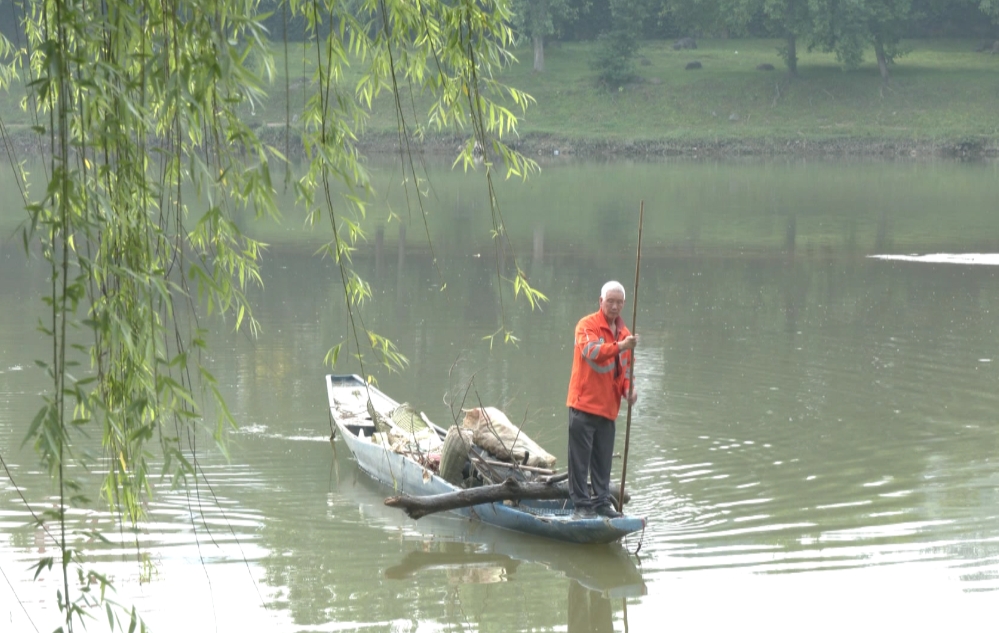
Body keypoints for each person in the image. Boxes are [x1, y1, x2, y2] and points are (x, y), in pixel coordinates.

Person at [565, 280, 638, 520]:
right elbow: (592, 352)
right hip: (583, 405)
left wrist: (629, 390)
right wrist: (620, 346)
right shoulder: (587, 326)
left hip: (608, 409)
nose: (615, 306)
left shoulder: (625, 335)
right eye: (610, 301)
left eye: (619, 302)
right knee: (580, 460)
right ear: (601, 302)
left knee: (602, 461)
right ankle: (582, 506)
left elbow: (625, 371)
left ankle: (602, 503)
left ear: (624, 304)